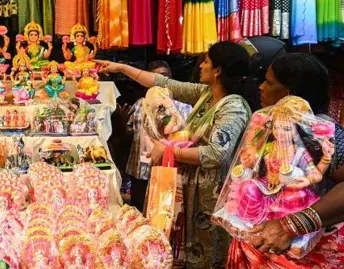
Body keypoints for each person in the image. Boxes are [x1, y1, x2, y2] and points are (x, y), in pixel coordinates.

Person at [96, 41, 260, 268]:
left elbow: (217, 154)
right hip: (189, 188)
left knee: (205, 255)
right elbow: (160, 82)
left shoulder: (233, 107)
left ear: (218, 70)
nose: (201, 65)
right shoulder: (205, 94)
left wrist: (170, 150)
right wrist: (120, 68)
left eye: (206, 61)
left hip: (210, 196)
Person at [227, 53, 344, 268]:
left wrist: (294, 225)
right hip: (258, 244)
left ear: (291, 94)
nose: (261, 87)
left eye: (269, 82)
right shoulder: (264, 127)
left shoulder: (325, 134)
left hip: (302, 254)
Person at [124, 60, 192, 213]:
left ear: (170, 79)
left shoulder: (183, 107)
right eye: (154, 78)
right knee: (139, 214)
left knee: (163, 215)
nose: (159, 82)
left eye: (164, 76)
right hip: (140, 170)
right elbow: (130, 131)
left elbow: (188, 137)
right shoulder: (139, 105)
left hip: (168, 170)